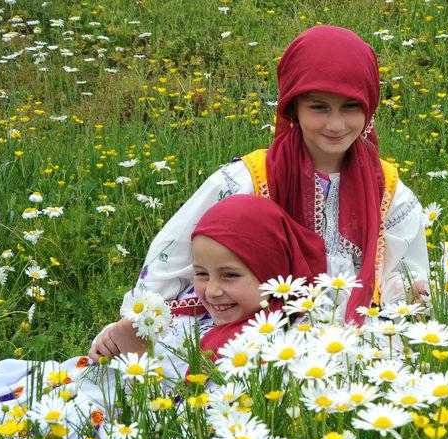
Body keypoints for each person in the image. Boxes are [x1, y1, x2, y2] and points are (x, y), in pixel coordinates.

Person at [89, 25, 429, 362]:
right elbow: (175, 254)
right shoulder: (249, 179)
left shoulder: (389, 191)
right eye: (319, 107)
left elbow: (403, 273)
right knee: (205, 368)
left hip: (352, 325)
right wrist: (141, 320)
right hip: (253, 320)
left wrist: (411, 299)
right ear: (292, 107)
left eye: (351, 107)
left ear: (369, 108)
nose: (336, 124)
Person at [0, 195, 326, 439]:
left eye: (230, 275)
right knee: (0, 400)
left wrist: (142, 360)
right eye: (201, 274)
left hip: (135, 420)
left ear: (272, 273)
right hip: (101, 386)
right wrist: (115, 339)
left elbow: (198, 409)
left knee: (41, 432)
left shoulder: (272, 343)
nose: (212, 290)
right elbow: (145, 341)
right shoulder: (191, 308)